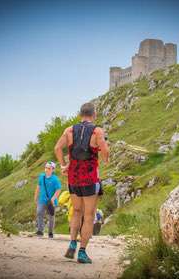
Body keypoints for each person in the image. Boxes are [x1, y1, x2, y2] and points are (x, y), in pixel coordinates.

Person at [54, 102, 109, 264]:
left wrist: (63, 165)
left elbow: (57, 148)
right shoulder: (97, 131)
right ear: (94, 114)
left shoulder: (69, 130)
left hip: (73, 177)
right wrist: (106, 156)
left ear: (80, 114)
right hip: (90, 178)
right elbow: (105, 152)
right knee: (89, 215)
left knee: (76, 211)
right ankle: (83, 252)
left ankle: (72, 244)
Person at [34, 161, 61, 238]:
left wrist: (53, 199)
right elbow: (38, 187)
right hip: (42, 200)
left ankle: (50, 232)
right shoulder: (41, 176)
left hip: (51, 202)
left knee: (51, 217)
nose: (46, 170)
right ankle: (40, 231)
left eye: (48, 168)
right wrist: (35, 196)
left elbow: (58, 190)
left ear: (53, 169)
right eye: (45, 168)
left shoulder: (55, 179)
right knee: (39, 213)